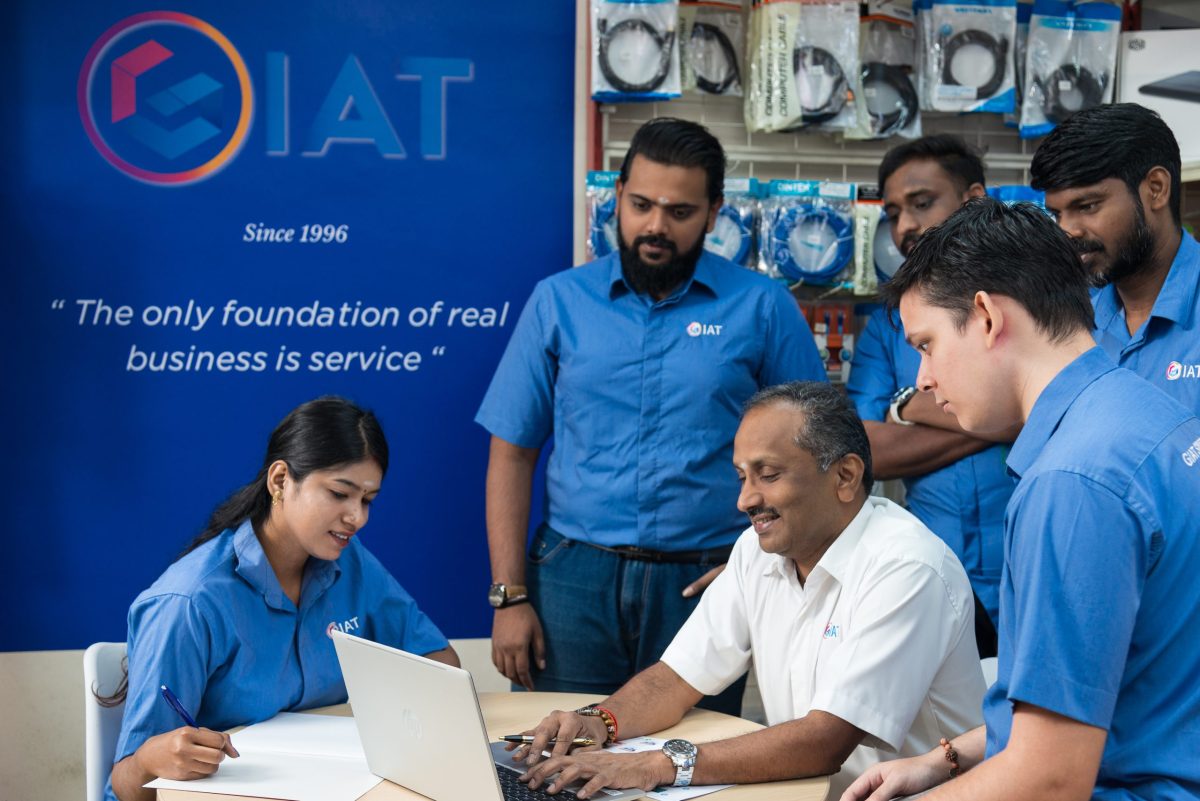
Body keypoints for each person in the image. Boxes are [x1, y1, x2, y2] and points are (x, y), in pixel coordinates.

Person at [843, 199, 1200, 801]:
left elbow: (1050, 777)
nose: (923, 379)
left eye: (926, 344)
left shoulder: (1071, 484)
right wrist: (947, 758)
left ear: (986, 317)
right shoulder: (1146, 415)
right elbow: (1105, 684)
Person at [475, 117, 825, 712]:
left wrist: (762, 560)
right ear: (617, 196)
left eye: (680, 211)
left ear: (713, 213)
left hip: (708, 578)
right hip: (572, 580)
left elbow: (814, 451)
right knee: (554, 751)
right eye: (641, 205)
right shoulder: (559, 301)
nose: (656, 226)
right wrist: (509, 596)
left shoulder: (762, 306)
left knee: (693, 755)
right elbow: (512, 453)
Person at [511, 382, 984, 800]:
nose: (745, 499)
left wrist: (657, 765)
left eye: (768, 475)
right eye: (742, 476)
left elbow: (826, 741)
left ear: (845, 476)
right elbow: (676, 679)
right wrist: (599, 721)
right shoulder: (756, 549)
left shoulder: (906, 567)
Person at [106, 397, 458, 801]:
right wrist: (149, 761)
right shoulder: (188, 602)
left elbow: (441, 662)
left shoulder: (350, 563)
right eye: (339, 493)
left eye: (367, 500)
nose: (358, 517)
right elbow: (126, 787)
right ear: (280, 481)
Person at [847, 135, 1015, 656]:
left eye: (922, 203)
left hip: (1030, 568)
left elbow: (1061, 409)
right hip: (933, 576)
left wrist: (909, 409)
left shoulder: (1032, 304)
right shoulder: (886, 326)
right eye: (893, 212)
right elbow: (867, 451)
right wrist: (1007, 419)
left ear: (973, 199)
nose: (905, 226)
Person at [1031, 102, 1200, 412]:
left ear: (1156, 189)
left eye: (1087, 206)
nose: (1067, 231)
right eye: (1057, 214)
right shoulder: (1069, 315)